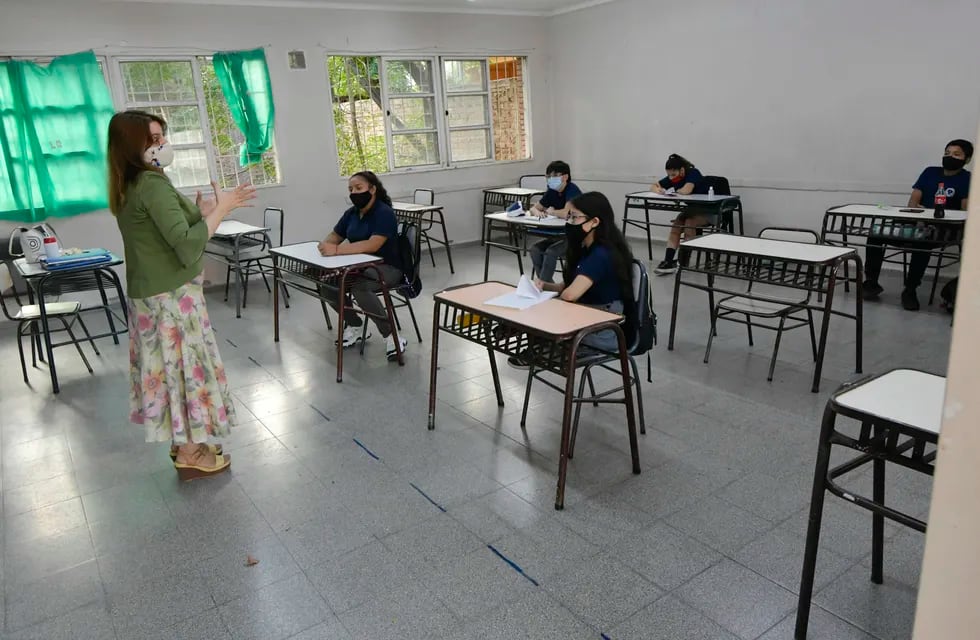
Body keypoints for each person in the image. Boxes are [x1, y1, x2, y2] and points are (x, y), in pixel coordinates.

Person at [109, 110, 255, 481]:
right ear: (133, 145)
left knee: (169, 369)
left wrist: (202, 211)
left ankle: (183, 442)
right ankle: (190, 452)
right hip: (170, 298)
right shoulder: (151, 184)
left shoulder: (131, 184)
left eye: (162, 136)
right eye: (153, 139)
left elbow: (168, 229)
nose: (162, 145)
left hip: (151, 297)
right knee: (183, 372)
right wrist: (221, 209)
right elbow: (186, 245)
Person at [508, 191, 635, 367]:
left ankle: (528, 340)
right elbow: (565, 287)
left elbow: (569, 295)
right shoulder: (586, 248)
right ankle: (526, 338)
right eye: (569, 217)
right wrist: (545, 286)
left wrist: (549, 302)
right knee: (540, 311)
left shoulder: (601, 254)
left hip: (600, 330)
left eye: (574, 218)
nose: (570, 223)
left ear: (594, 222)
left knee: (542, 313)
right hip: (588, 315)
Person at [862, 139, 973, 311]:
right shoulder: (930, 172)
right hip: (917, 222)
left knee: (923, 239)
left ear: (967, 159)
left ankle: (910, 290)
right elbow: (913, 202)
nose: (950, 157)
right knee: (876, 232)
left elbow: (964, 211)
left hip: (944, 229)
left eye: (956, 154)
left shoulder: (967, 179)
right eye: (947, 153)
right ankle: (871, 282)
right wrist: (919, 211)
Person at [318, 171, 407, 360]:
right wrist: (326, 246)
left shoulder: (384, 213)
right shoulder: (351, 214)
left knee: (361, 288)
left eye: (359, 188)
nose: (354, 193)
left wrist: (337, 250)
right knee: (328, 283)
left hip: (388, 267)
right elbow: (334, 236)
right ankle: (356, 326)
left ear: (372, 189)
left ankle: (392, 336)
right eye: (351, 189)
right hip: (359, 266)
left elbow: (373, 244)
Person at [651, 154, 709, 275]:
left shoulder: (693, 173)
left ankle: (683, 262)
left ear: (682, 170)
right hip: (692, 211)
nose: (671, 178)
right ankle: (668, 260)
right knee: (677, 225)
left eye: (673, 174)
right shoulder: (673, 177)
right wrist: (660, 190)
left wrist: (674, 191)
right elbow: (654, 186)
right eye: (668, 175)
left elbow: (686, 190)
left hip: (709, 211)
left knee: (689, 223)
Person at [527, 160, 582, 283]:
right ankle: (547, 284)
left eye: (554, 176)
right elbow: (533, 208)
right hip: (558, 234)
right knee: (535, 249)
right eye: (548, 177)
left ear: (565, 177)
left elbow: (567, 213)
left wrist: (552, 212)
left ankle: (543, 286)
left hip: (574, 237)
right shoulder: (552, 191)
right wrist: (538, 213)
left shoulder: (572, 190)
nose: (550, 179)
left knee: (551, 252)